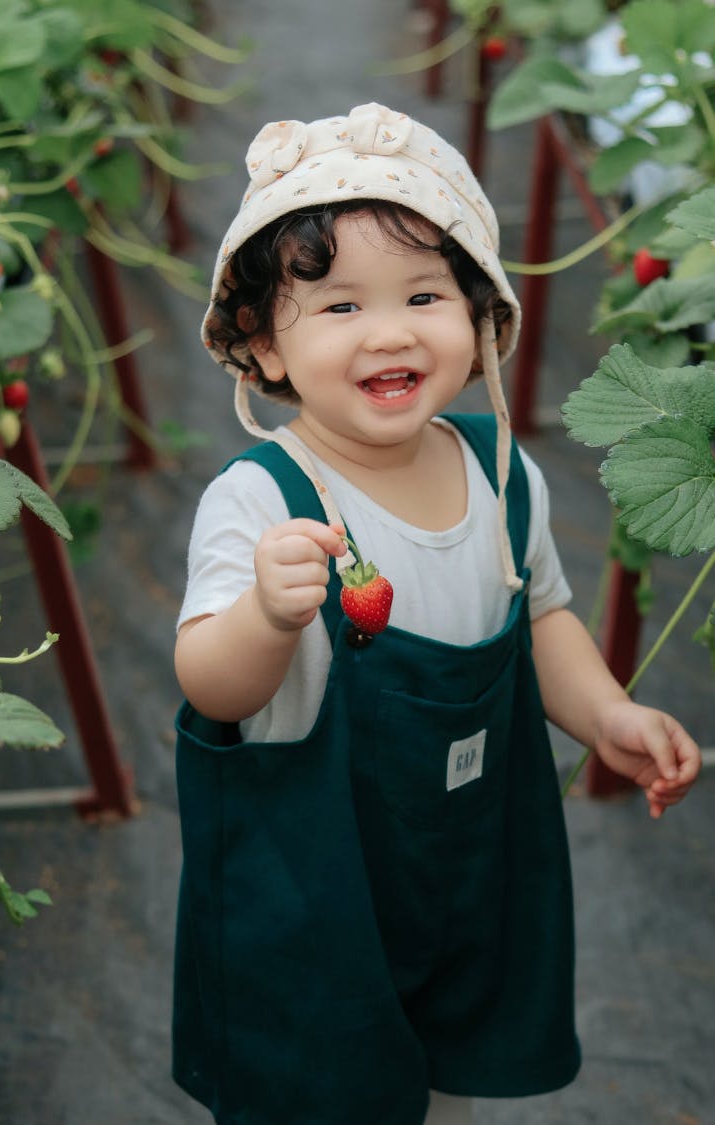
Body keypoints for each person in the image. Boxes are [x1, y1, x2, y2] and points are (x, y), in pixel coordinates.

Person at [172, 103, 701, 1125]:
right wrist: (268, 619)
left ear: (480, 322)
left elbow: (540, 616)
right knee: (321, 1092)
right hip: (313, 885)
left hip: (464, 870)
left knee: (441, 1087)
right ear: (264, 350)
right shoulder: (263, 501)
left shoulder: (504, 475)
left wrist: (607, 716)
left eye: (425, 294)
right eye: (336, 308)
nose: (390, 331)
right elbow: (211, 686)